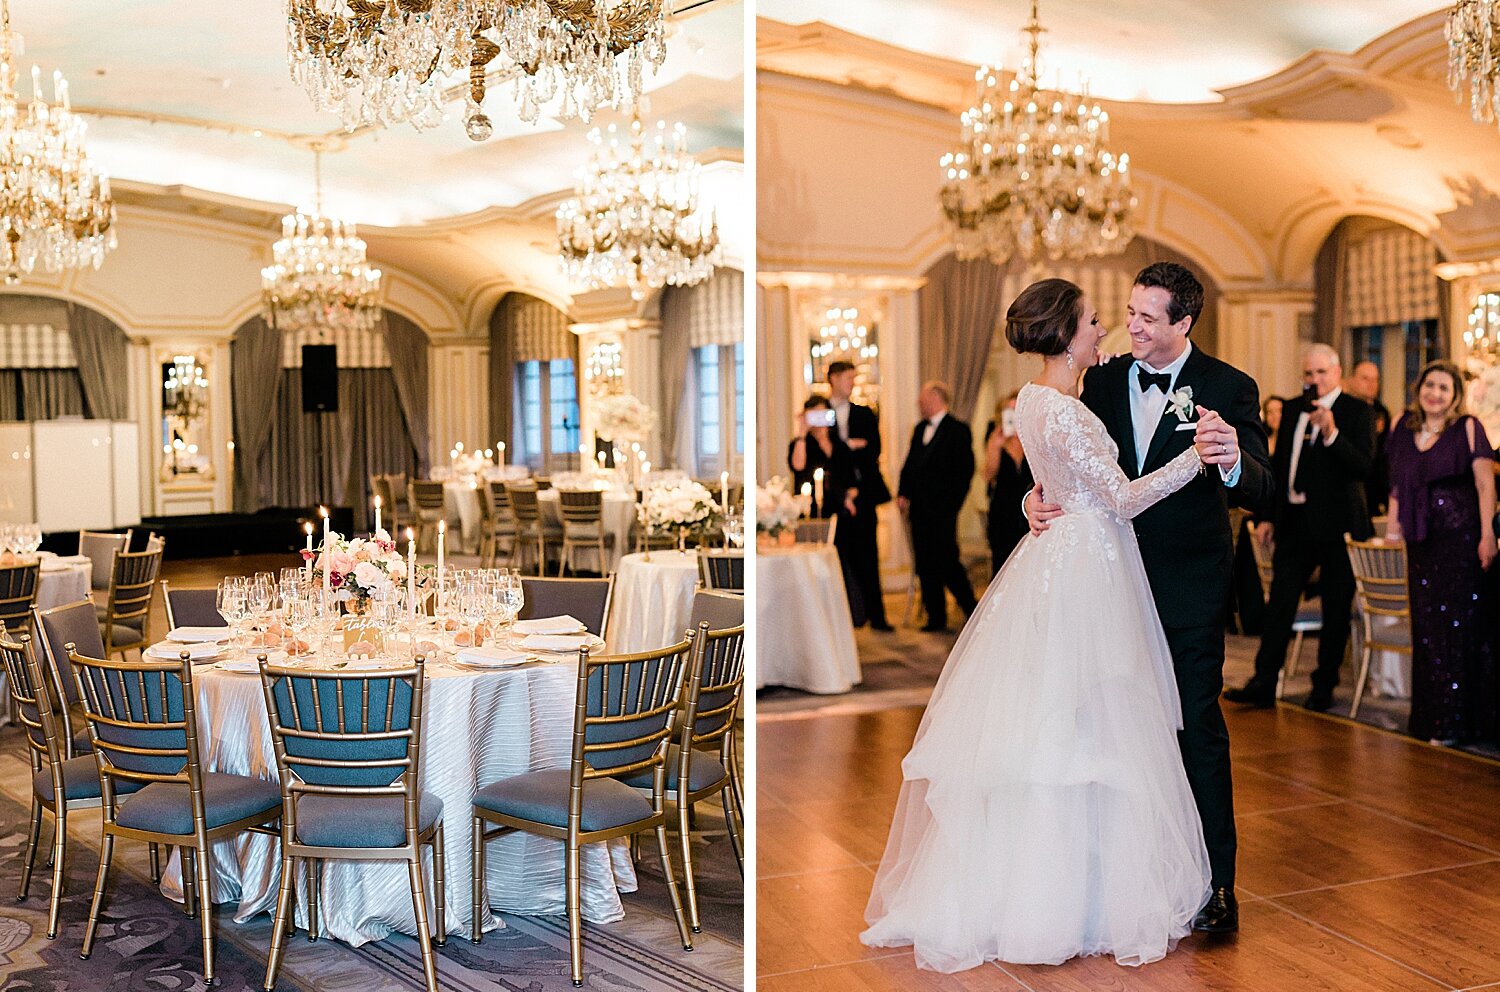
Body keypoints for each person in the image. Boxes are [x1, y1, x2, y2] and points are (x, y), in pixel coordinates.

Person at [863, 278, 1218, 971]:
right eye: (1091, 321)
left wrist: (1038, 494)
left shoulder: (1033, 400)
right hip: (1086, 567)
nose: (1102, 332)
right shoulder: (1063, 409)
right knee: (1083, 724)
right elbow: (1119, 498)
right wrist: (1194, 459)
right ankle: (1063, 902)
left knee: (1061, 721)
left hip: (1062, 559)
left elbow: (1058, 480)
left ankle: (1065, 892)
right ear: (1062, 334)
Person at [1026, 261, 1274, 934]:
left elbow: (1264, 486)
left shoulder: (1229, 387)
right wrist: (1036, 496)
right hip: (1103, 588)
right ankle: (1119, 879)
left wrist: (1226, 460)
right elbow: (1068, 463)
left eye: (1146, 318)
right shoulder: (1099, 379)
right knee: (1106, 728)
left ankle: (1217, 885)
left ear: (1184, 323)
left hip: (1185, 586)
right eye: (1127, 312)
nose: (1130, 325)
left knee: (1195, 725)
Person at [1225, 344, 1377, 712]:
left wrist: (1331, 434)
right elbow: (1278, 464)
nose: (1315, 380)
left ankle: (1323, 687)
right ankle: (1263, 681)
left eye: (1321, 373)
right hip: (1294, 522)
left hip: (1338, 526)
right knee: (1279, 605)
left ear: (1337, 372)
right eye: (1309, 374)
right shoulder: (1293, 409)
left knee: (1336, 607)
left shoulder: (1356, 411)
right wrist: (1268, 516)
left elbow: (1364, 467)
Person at [1384, 360, 1498, 744]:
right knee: (1429, 631)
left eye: (1444, 388)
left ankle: (1460, 723)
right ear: (1419, 389)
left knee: (1462, 631)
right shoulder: (1403, 426)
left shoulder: (1468, 428)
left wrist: (1487, 536)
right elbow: (1397, 484)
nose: (1435, 392)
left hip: (1463, 542)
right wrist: (1393, 528)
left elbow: (1486, 487)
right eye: (1430, 385)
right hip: (1422, 544)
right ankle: (1433, 720)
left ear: (1455, 396)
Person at [897, 382, 978, 632]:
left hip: (943, 510)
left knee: (947, 561)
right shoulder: (920, 428)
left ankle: (972, 611)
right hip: (919, 510)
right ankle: (936, 617)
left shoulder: (958, 430)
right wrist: (903, 492)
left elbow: (965, 470)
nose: (919, 405)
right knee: (925, 562)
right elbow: (910, 464)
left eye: (922, 400)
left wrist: (952, 504)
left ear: (936, 399)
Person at [826, 360, 894, 631]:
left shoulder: (865, 413)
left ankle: (877, 617)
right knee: (836, 559)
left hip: (864, 494)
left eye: (853, 378)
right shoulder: (820, 411)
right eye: (847, 378)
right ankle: (843, 618)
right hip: (832, 497)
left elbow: (873, 451)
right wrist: (848, 446)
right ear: (832, 378)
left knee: (868, 556)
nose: (852, 383)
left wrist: (845, 450)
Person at [789, 394, 866, 618]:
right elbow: (798, 465)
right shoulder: (801, 444)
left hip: (841, 512)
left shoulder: (839, 444)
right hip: (812, 513)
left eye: (824, 414)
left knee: (844, 563)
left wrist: (850, 496)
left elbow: (852, 478)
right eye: (816, 415)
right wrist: (802, 433)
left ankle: (848, 613)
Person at [984, 392, 1032, 576]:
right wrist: (995, 447)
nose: (1012, 414)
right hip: (1002, 512)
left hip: (1029, 512)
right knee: (1002, 567)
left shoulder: (1032, 435)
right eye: (1008, 410)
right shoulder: (995, 437)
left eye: (1016, 409)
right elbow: (989, 475)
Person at [1348, 359, 1392, 515]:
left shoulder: (1382, 412)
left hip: (1377, 484)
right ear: (1351, 380)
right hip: (1353, 483)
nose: (1371, 384)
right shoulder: (1344, 410)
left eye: (1375, 379)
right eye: (1365, 378)